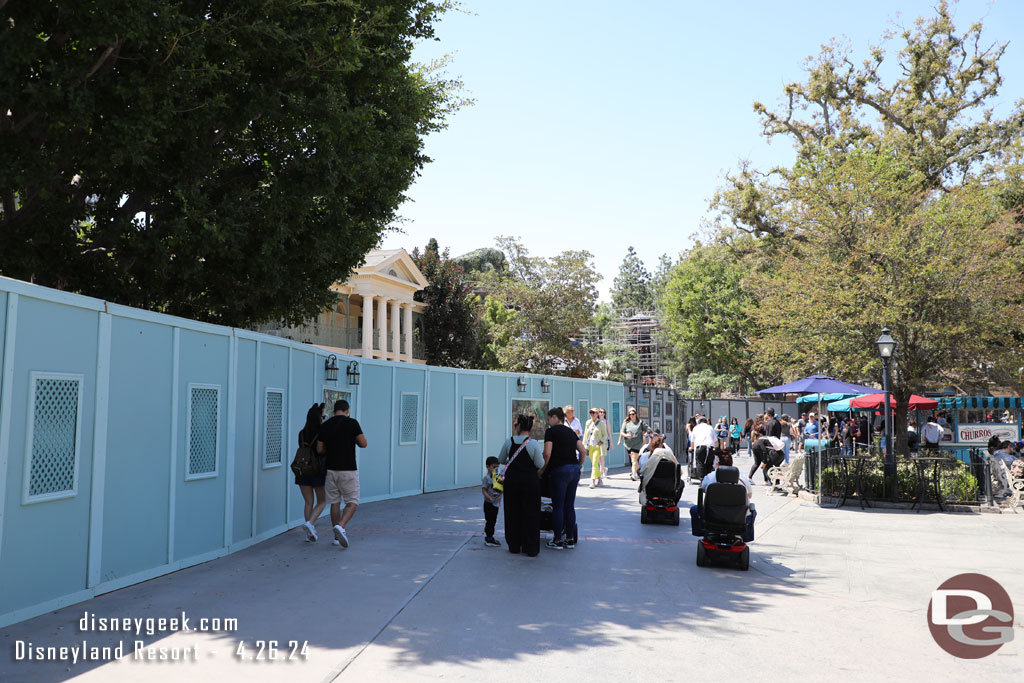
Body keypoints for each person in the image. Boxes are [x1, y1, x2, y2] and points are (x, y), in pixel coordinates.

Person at [316, 399, 367, 549]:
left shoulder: (326, 425)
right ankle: (341, 526)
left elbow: (320, 450)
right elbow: (363, 443)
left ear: (334, 410)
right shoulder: (352, 423)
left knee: (335, 502)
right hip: (348, 469)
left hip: (331, 470)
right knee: (352, 502)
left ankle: (336, 538)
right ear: (347, 410)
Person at [498, 414, 546, 556]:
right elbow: (540, 464)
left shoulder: (509, 442)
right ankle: (530, 547)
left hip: (512, 482)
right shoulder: (533, 444)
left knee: (512, 513)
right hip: (530, 483)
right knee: (531, 514)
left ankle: (514, 545)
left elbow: (501, 459)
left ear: (518, 426)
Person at [541, 407, 588, 550]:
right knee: (569, 505)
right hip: (573, 470)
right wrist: (578, 466)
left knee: (558, 505)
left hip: (559, 471)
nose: (548, 422)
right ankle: (570, 539)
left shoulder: (551, 432)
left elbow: (547, 454)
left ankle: (557, 540)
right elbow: (583, 451)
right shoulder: (570, 432)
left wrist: (542, 470)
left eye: (549, 418)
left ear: (555, 417)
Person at [689, 452, 756, 542]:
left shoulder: (710, 477)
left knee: (694, 510)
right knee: (753, 512)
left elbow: (703, 488)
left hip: (713, 516)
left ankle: (702, 532)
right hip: (737, 518)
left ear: (718, 464)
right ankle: (745, 538)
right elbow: (749, 495)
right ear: (732, 464)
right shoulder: (742, 478)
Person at [296, 403, 328, 542]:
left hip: (302, 470)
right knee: (322, 501)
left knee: (308, 502)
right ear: (319, 418)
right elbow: (322, 450)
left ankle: (309, 534)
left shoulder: (302, 433)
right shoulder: (321, 432)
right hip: (317, 470)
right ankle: (310, 523)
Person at [618, 408, 649, 481]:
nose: (631, 415)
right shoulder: (626, 422)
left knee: (633, 459)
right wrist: (625, 436)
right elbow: (622, 432)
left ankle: (634, 474)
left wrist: (645, 435)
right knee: (633, 460)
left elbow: (648, 429)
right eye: (630, 414)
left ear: (636, 414)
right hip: (628, 444)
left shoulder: (640, 423)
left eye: (633, 414)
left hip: (637, 444)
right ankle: (637, 472)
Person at [584, 408, 609, 488]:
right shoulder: (588, 423)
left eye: (593, 412)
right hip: (590, 446)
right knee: (594, 463)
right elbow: (585, 434)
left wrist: (601, 441)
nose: (592, 414)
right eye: (590, 412)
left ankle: (593, 481)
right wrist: (583, 445)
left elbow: (605, 435)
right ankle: (599, 479)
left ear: (597, 414)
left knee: (594, 463)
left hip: (597, 447)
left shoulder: (601, 423)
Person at [481, 457, 502, 547]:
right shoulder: (487, 478)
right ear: (487, 467)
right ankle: (489, 538)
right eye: (493, 467)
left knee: (493, 520)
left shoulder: (498, 477)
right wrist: (489, 497)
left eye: (497, 467)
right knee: (490, 521)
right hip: (489, 503)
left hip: (496, 504)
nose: (495, 469)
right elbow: (484, 490)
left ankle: (491, 537)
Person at [598, 408, 612, 479]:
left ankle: (601, 473)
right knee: (598, 457)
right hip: (597, 441)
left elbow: (609, 432)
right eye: (600, 412)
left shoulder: (606, 422)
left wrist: (611, 443)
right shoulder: (596, 421)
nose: (602, 413)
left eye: (603, 412)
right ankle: (604, 469)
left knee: (602, 456)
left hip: (604, 441)